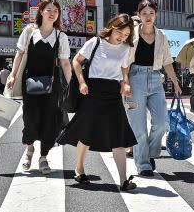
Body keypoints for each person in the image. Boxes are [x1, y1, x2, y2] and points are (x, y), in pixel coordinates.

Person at [57, 14, 139, 191]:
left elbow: (124, 67)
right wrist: (81, 82)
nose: (122, 38)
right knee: (86, 134)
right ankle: (79, 168)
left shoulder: (126, 48)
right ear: (112, 27)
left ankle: (123, 180)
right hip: (92, 91)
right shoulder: (95, 42)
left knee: (118, 136)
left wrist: (125, 82)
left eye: (126, 35)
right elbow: (76, 62)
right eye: (120, 33)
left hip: (113, 93)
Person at [6, 0, 72, 175]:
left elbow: (65, 63)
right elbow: (19, 55)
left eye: (56, 11)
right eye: (49, 10)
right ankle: (29, 150)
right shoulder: (29, 31)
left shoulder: (61, 36)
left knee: (50, 121)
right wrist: (12, 75)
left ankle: (43, 157)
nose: (52, 14)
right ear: (41, 11)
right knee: (30, 118)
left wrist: (72, 84)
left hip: (52, 85)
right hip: (30, 83)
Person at [125, 0, 182, 177]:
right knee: (138, 126)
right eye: (144, 13)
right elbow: (124, 62)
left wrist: (176, 82)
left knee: (161, 122)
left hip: (156, 79)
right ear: (139, 15)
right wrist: (125, 82)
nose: (148, 16)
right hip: (135, 78)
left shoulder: (162, 36)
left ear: (155, 14)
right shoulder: (131, 34)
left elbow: (167, 62)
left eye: (151, 13)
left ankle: (149, 154)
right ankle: (143, 164)